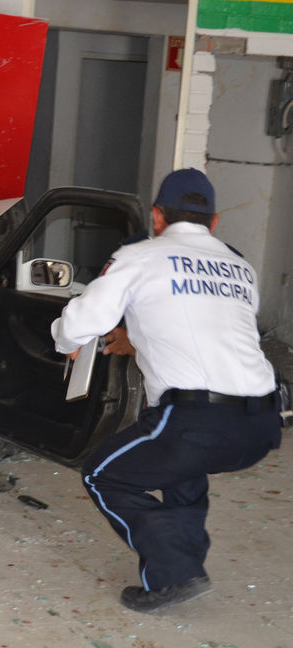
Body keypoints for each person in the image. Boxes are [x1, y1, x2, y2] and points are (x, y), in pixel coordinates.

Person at [50, 168, 282, 614]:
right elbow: (206, 330)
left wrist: (66, 343)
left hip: (195, 419)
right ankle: (179, 572)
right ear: (214, 222)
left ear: (157, 217)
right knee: (181, 469)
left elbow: (83, 320)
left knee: (102, 474)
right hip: (262, 425)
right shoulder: (240, 267)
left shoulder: (140, 256)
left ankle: (175, 571)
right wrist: (136, 340)